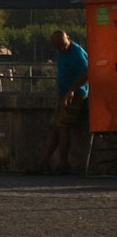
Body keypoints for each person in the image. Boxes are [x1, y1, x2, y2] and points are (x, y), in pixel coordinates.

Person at [35, 28, 88, 175]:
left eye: (63, 45)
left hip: (74, 95)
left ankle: (63, 164)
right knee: (54, 128)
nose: (62, 49)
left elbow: (87, 72)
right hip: (63, 95)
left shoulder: (76, 52)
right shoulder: (62, 51)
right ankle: (44, 162)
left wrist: (71, 90)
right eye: (58, 46)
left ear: (68, 39)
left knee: (63, 127)